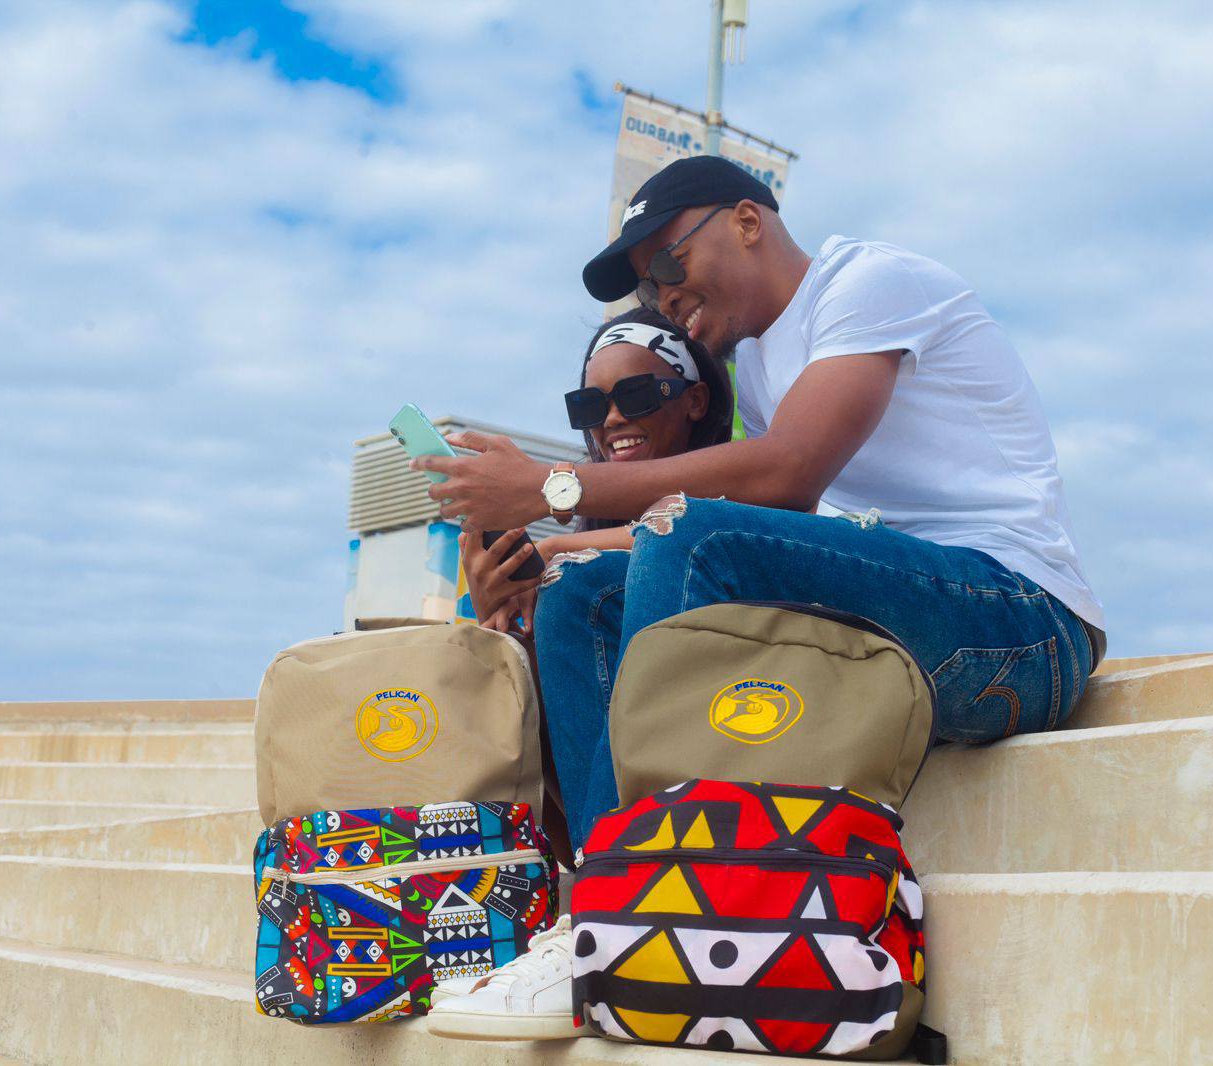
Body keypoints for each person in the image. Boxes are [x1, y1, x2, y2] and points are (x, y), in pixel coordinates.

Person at [425, 155, 1105, 1040]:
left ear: (748, 221)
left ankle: (638, 898)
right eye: (645, 285)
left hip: (1019, 624)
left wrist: (557, 490)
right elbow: (775, 528)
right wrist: (562, 543)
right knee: (583, 593)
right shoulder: (759, 367)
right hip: (895, 623)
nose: (663, 295)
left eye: (667, 263)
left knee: (687, 529)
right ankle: (608, 906)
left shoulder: (868, 284)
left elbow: (786, 475)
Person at [459, 305, 734, 635]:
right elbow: (557, 683)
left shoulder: (742, 505)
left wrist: (556, 550)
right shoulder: (579, 550)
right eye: (590, 405)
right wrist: (495, 614)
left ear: (695, 401)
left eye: (635, 395)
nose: (612, 419)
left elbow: (693, 529)